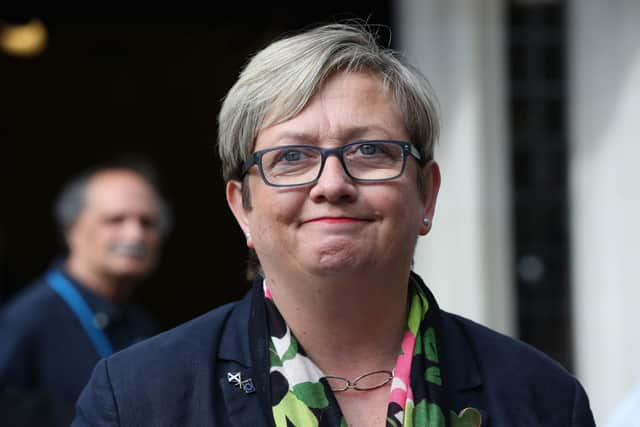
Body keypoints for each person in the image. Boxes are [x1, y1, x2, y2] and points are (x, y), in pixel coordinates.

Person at [72, 23, 595, 426]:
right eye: (292, 157)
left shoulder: (542, 399)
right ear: (242, 208)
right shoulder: (138, 398)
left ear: (427, 195)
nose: (331, 184)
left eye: (369, 151)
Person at [0, 161, 171, 424]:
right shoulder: (26, 321)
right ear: (71, 229)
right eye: (115, 220)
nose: (135, 234)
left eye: (147, 223)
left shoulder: (141, 321)